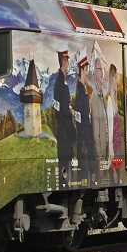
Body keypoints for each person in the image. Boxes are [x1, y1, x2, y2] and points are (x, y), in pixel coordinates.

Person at [50, 50, 75, 185]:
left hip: (64, 137)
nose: (69, 63)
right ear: (64, 60)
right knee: (66, 179)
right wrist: (72, 133)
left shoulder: (60, 81)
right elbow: (64, 113)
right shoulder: (60, 83)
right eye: (68, 60)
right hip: (65, 138)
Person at [73, 56, 95, 185]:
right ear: (81, 70)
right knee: (84, 178)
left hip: (84, 142)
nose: (88, 74)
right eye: (86, 70)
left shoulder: (81, 91)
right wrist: (85, 141)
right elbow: (81, 121)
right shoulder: (81, 94)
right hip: (84, 143)